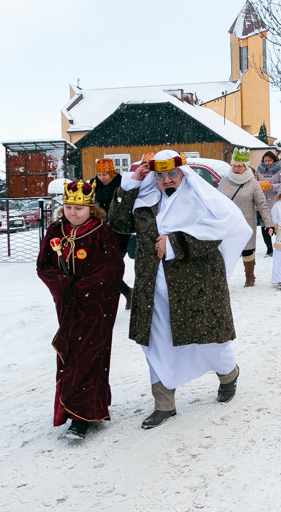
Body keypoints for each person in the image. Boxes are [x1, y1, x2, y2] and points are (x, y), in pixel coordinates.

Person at [107, 150, 252, 429]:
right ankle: (164, 403)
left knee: (210, 343)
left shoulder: (200, 200)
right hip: (154, 289)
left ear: (183, 174)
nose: (166, 180)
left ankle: (228, 374)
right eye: (159, 175)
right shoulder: (146, 200)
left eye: (172, 174)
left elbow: (215, 237)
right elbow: (119, 223)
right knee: (157, 345)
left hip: (196, 288)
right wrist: (130, 184)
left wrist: (176, 244)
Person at [36, 180, 125, 440]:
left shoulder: (101, 232)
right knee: (70, 355)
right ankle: (74, 409)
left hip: (96, 307)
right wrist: (63, 285)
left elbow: (113, 270)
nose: (73, 213)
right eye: (68, 207)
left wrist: (85, 286)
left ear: (91, 209)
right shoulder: (55, 230)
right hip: (68, 307)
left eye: (79, 208)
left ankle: (82, 417)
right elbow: (44, 266)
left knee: (89, 357)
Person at [217, 148, 275, 287]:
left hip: (246, 223)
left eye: (240, 166)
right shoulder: (224, 181)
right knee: (224, 251)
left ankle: (250, 277)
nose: (236, 168)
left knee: (247, 251)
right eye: (234, 165)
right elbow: (217, 203)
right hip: (228, 223)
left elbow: (262, 205)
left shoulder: (252, 183)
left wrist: (269, 224)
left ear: (246, 166)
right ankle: (222, 278)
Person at [91, 158, 133, 307]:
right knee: (100, 267)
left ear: (112, 172)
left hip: (119, 233)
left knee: (110, 267)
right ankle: (126, 292)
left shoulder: (122, 184)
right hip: (99, 232)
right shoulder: (93, 185)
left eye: (105, 174)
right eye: (99, 174)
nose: (102, 178)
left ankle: (123, 293)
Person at [255, 150, 281, 257]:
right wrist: (259, 185)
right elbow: (255, 182)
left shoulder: (280, 169)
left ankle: (279, 246)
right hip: (262, 202)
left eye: (269, 160)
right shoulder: (259, 170)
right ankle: (269, 249)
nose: (267, 163)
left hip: (275, 201)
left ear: (274, 160)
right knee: (265, 227)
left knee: (276, 226)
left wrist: (272, 186)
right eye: (265, 161)